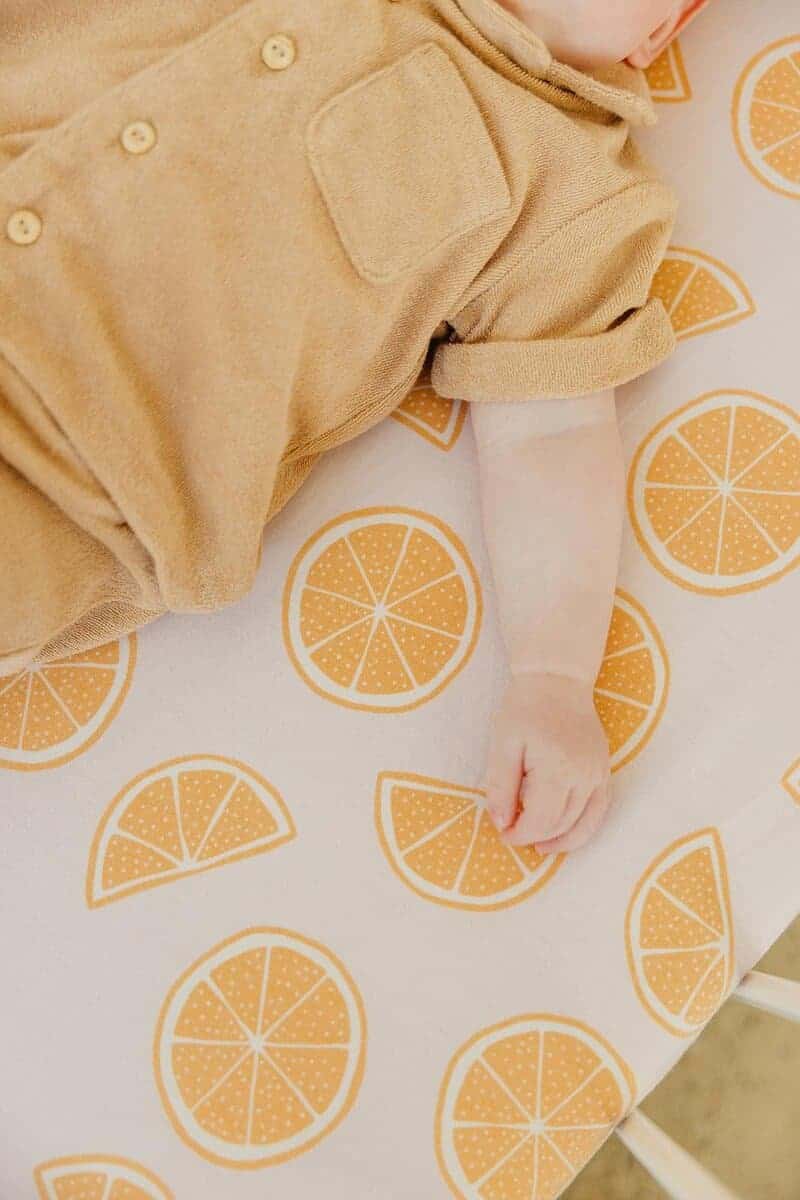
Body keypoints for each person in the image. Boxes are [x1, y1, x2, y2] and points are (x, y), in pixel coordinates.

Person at [0, 0, 704, 847]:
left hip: (75, 480)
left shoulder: (568, 187)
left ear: (659, 31)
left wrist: (552, 675)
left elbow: (549, 437)